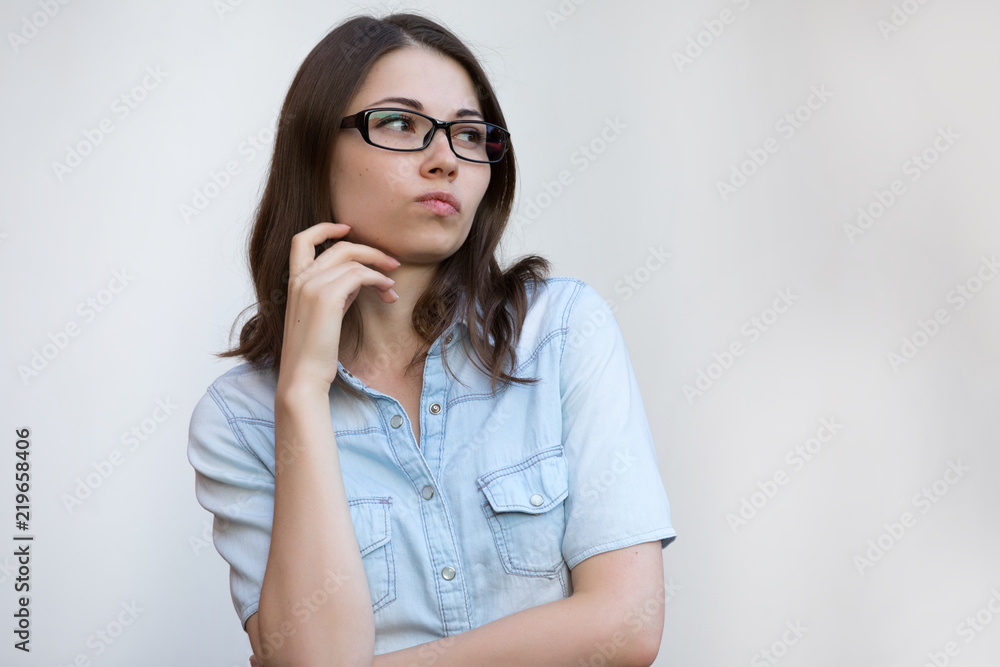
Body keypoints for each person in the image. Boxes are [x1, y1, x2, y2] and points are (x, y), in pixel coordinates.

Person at [187, 12, 676, 666]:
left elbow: (628, 624)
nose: (445, 158)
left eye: (468, 135)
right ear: (315, 151)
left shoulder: (562, 330)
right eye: (400, 124)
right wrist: (303, 392)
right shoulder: (240, 418)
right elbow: (311, 655)